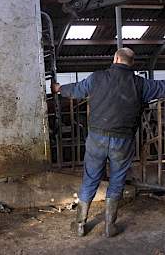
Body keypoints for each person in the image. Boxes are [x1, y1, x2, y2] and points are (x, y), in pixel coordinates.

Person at [51, 47, 165, 238]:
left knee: (90, 178)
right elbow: (162, 86)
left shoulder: (97, 78)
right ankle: (109, 227)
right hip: (124, 140)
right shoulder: (141, 84)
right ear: (132, 63)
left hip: (97, 138)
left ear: (115, 58)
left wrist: (59, 88)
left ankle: (80, 224)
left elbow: (76, 90)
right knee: (117, 179)